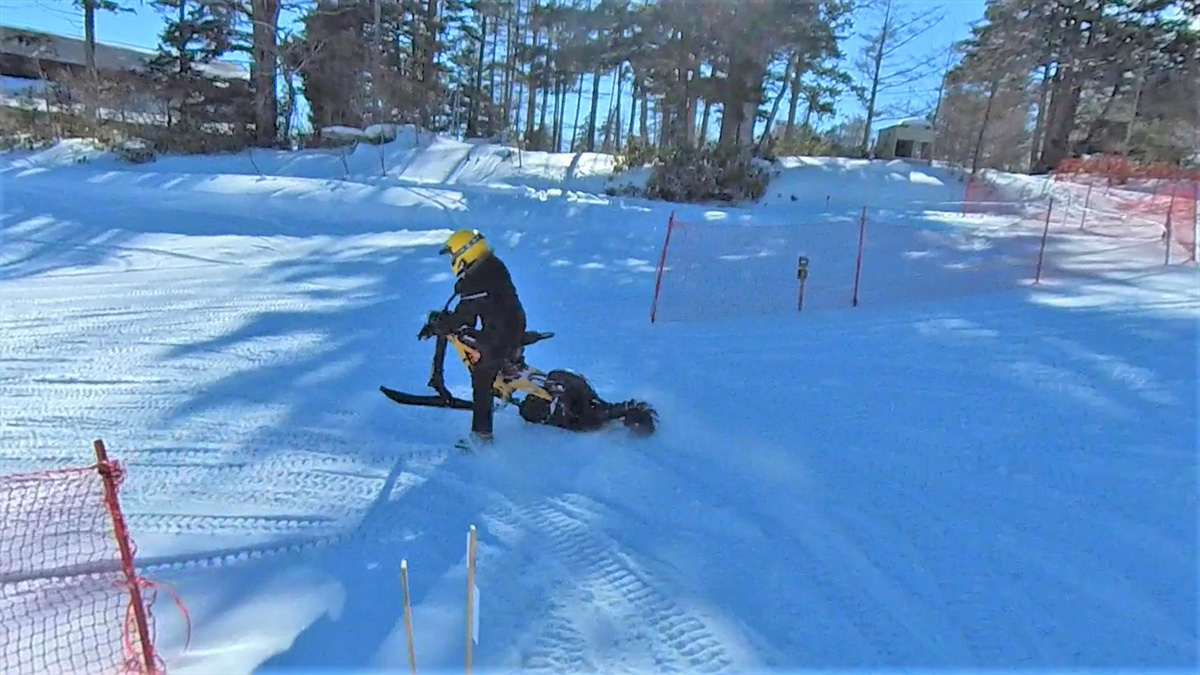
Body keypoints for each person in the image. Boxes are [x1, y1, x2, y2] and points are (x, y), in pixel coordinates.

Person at [436, 228, 526, 447]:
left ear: (464, 253)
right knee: (485, 349)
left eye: (453, 254)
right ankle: (508, 366)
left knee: (481, 378)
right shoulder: (491, 265)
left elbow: (464, 317)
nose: (452, 259)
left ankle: (481, 437)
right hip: (512, 325)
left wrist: (442, 324)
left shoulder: (477, 279)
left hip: (501, 334)